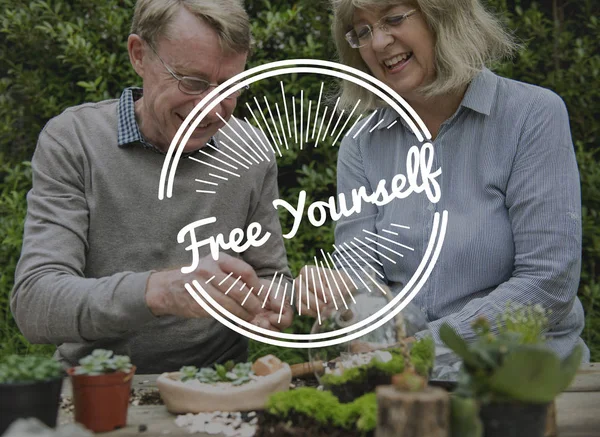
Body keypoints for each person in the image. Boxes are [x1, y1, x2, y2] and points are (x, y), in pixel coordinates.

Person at [11, 0, 293, 374]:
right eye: (192, 82)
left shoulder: (250, 152)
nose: (211, 109)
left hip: (218, 384)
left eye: (229, 87)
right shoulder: (74, 140)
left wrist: (278, 304)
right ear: (139, 55)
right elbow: (35, 303)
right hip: (99, 388)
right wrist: (157, 292)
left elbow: (273, 279)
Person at [297, 0, 588, 360]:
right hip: (404, 377)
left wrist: (422, 346)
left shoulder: (531, 116)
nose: (377, 43)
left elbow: (547, 283)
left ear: (445, 16)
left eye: (393, 18)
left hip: (521, 377)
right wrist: (341, 292)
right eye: (362, 31)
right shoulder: (361, 143)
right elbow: (363, 280)